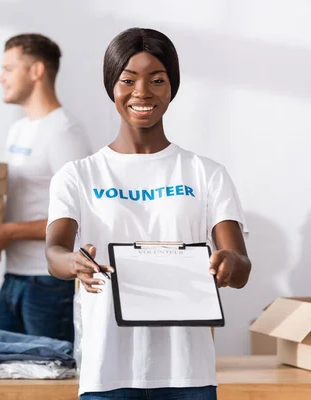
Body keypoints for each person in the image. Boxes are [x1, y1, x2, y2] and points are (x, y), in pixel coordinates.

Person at [45, 28, 252, 399]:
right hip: (108, 370)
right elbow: (54, 253)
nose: (142, 92)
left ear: (171, 88)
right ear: (112, 86)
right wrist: (74, 262)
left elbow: (241, 267)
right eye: (128, 80)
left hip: (187, 372)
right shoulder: (78, 175)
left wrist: (227, 263)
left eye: (157, 80)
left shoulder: (206, 173)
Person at [0, 34, 91, 343]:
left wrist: (8, 232)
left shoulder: (65, 132)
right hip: (14, 277)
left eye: (9, 68)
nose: (0, 77)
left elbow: (80, 216)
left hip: (49, 284)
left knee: (50, 380)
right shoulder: (18, 130)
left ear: (36, 71)